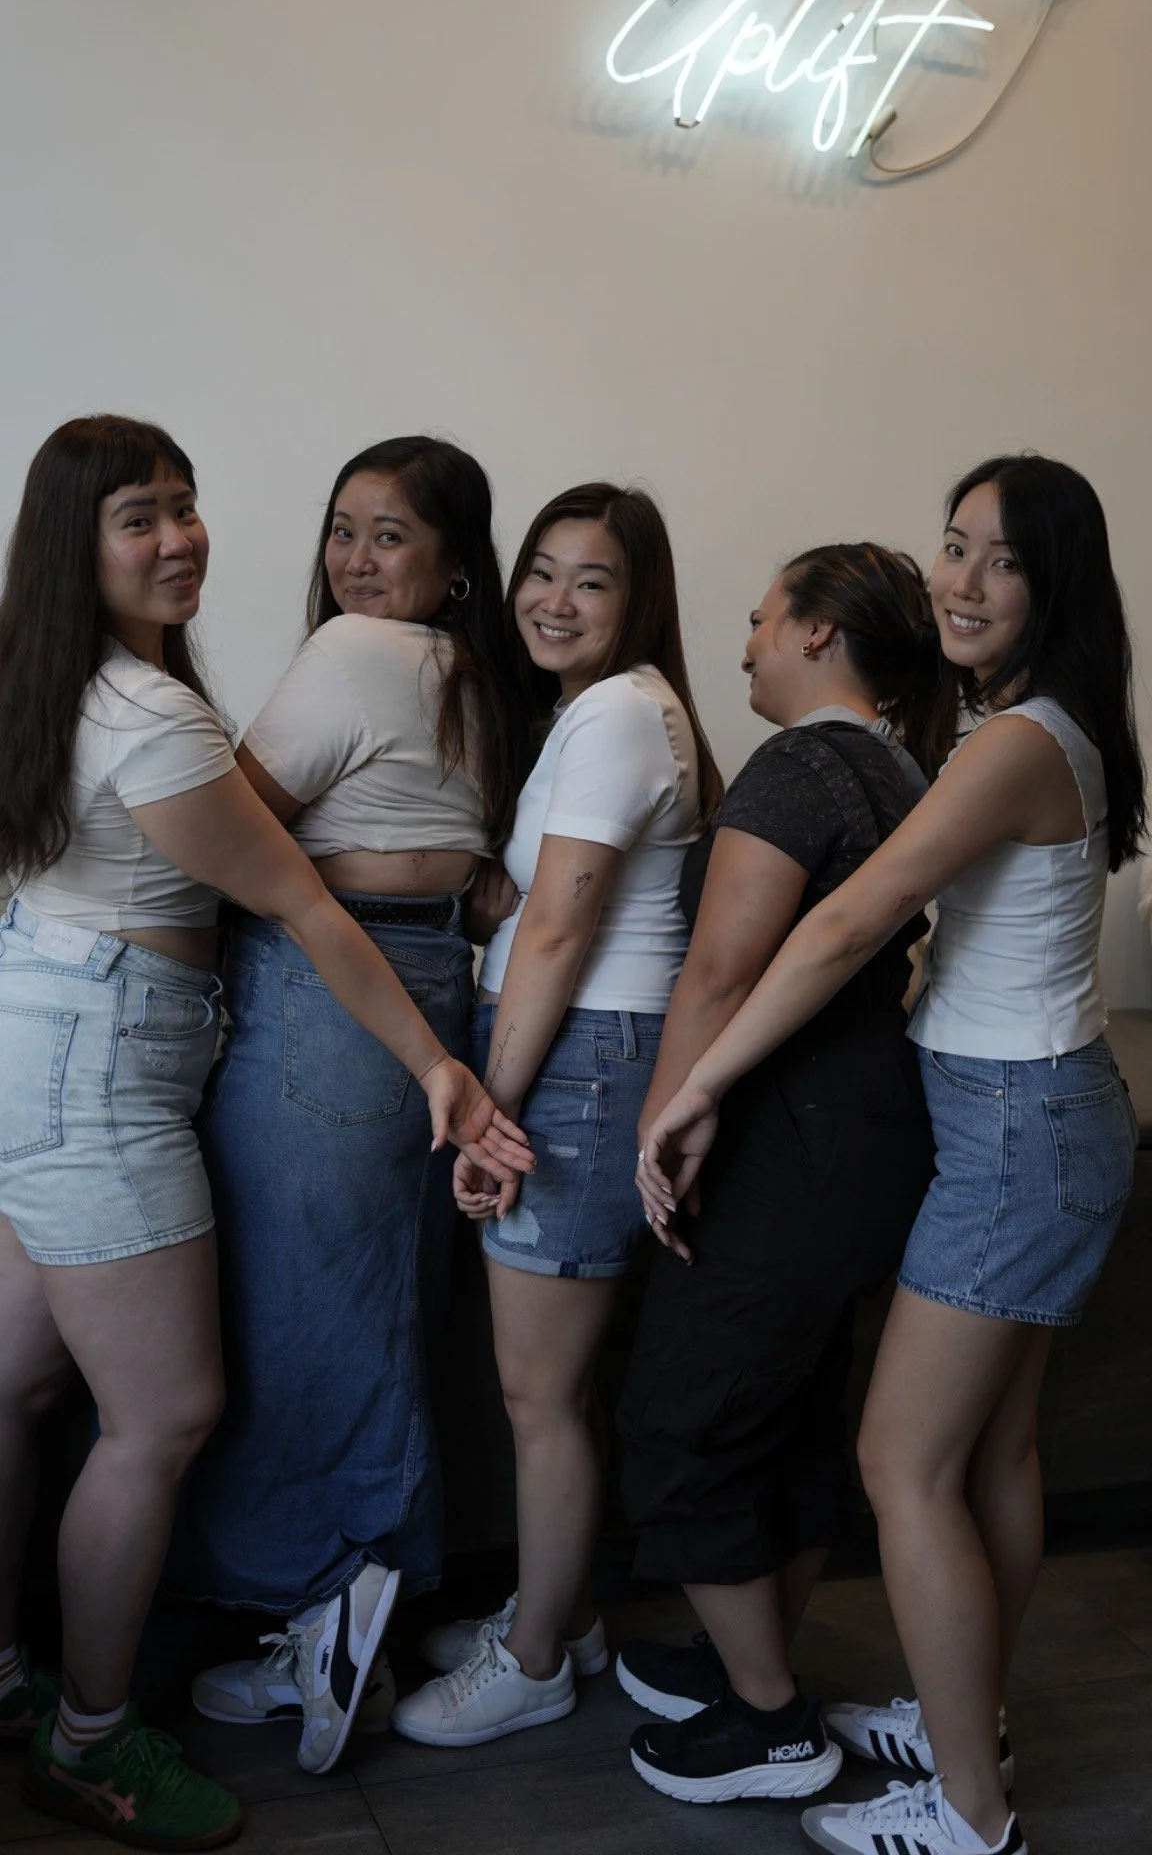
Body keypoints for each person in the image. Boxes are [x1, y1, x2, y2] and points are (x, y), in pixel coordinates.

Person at [0, 416, 530, 1847]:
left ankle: (28, 1684)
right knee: (162, 1409)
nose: (180, 538)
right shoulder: (157, 711)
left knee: (26, 1379)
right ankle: (91, 1739)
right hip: (106, 1055)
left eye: (186, 506)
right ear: (79, 545)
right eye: (139, 518)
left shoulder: (101, 687)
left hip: (83, 1034)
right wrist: (441, 1061)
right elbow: (298, 893)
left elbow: (282, 877)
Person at [641, 458, 1144, 1855]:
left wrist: (700, 1087)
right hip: (1039, 1114)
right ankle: (957, 1715)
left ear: (1056, 585)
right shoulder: (1040, 727)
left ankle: (973, 1816)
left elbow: (849, 924)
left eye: (1000, 561)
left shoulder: (1014, 742)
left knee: (902, 1464)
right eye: (953, 549)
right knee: (987, 1458)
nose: (962, 583)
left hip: (1017, 1129)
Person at [177, 436, 514, 1769]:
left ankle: (325, 1599)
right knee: (379, 1298)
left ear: (451, 565)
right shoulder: (475, 678)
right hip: (426, 976)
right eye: (344, 530)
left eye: (392, 536)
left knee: (303, 1302)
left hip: (325, 985)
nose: (356, 561)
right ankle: (355, 1601)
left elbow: (219, 827)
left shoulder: (356, 655)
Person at [390, 483, 723, 1748]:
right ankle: (564, 1611)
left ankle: (533, 1659)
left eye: (592, 579)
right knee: (554, 1387)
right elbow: (535, 905)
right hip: (576, 1047)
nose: (555, 598)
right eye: (542, 569)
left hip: (577, 1057)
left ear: (638, 600)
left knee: (538, 1390)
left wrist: (493, 1108)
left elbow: (566, 927)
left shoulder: (623, 716)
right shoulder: (602, 714)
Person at [613, 542, 941, 1805]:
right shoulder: (901, 765)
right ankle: (745, 1651)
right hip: (865, 1125)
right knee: (789, 1414)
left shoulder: (799, 763)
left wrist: (662, 1120)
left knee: (683, 1417)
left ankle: (767, 1716)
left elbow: (720, 970)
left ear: (818, 634)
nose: (745, 645)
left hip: (785, 1132)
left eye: (760, 621)